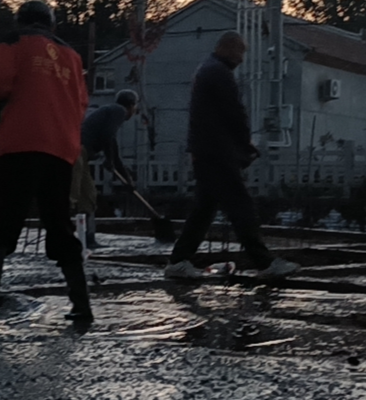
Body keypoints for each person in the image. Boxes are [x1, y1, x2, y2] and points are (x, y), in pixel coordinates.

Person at [0, 0, 93, 326]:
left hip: (20, 145)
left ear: (19, 21)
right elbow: (81, 103)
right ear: (51, 25)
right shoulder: (71, 56)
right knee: (59, 225)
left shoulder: (12, 43)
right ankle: (82, 304)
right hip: (61, 150)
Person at [164, 31, 294, 281]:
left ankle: (179, 261)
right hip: (217, 152)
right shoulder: (219, 74)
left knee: (204, 210)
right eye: (240, 51)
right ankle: (265, 263)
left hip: (205, 151)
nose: (241, 58)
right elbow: (234, 113)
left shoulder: (207, 70)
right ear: (225, 48)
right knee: (240, 205)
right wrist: (244, 143)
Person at [74, 89, 138, 249]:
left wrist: (127, 180)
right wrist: (109, 160)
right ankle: (65, 238)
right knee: (73, 196)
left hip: (80, 154)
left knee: (89, 196)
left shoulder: (109, 115)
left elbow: (114, 154)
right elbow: (107, 138)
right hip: (76, 151)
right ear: (131, 106)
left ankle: (88, 239)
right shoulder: (118, 111)